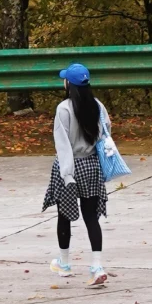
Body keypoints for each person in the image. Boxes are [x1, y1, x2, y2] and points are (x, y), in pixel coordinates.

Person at [42, 62, 109, 286]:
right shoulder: (98, 106)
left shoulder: (63, 109)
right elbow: (105, 133)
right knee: (91, 217)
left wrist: (67, 175)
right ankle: (97, 266)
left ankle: (64, 263)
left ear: (68, 84)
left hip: (69, 167)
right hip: (92, 166)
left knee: (64, 215)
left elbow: (63, 145)